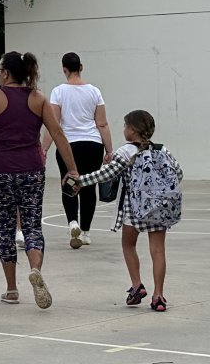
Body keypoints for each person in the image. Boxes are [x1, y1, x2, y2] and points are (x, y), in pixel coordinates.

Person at [0, 52, 80, 309]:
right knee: (32, 224)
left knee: (6, 228)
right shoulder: (39, 98)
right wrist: (73, 170)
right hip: (32, 169)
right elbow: (58, 134)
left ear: (6, 73)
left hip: (0, 170)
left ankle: (11, 289)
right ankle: (36, 270)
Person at [68, 110, 181, 312]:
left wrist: (80, 181)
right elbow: (178, 173)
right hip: (158, 208)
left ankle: (137, 286)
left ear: (132, 130)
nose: (124, 130)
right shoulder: (163, 150)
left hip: (134, 208)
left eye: (125, 126)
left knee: (128, 245)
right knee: (158, 251)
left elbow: (106, 174)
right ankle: (159, 296)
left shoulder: (126, 151)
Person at [41, 52, 112, 250]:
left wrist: (43, 149)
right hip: (92, 144)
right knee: (89, 187)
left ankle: (73, 223)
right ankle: (86, 232)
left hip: (68, 144)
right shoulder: (94, 91)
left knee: (69, 182)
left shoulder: (58, 92)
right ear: (81, 67)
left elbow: (53, 124)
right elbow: (103, 124)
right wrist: (109, 150)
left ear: (64, 69)